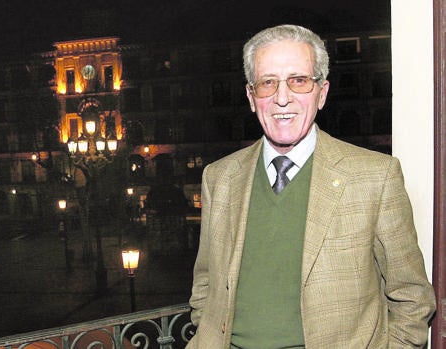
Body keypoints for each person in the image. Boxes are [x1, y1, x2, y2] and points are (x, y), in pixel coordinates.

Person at [186, 24, 436, 348]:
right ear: (251, 97)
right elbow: (205, 287)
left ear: (322, 92)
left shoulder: (375, 177)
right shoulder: (219, 178)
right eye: (268, 83)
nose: (282, 98)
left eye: (298, 81)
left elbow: (412, 298)